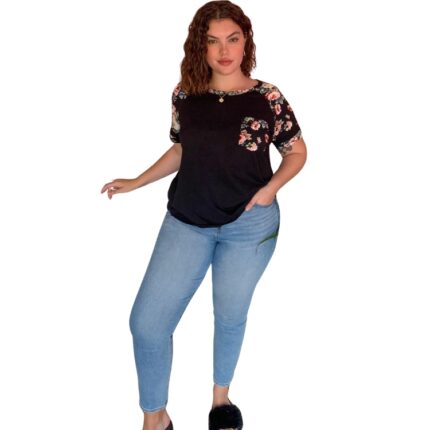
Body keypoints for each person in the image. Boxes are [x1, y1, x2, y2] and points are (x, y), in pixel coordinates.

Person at [101, 1, 307, 429]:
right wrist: (137, 181)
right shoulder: (185, 94)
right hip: (188, 220)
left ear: (246, 41)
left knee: (229, 312)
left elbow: (297, 151)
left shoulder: (268, 97)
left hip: (249, 224)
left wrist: (271, 189)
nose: (224, 50)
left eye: (233, 39)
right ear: (201, 46)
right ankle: (155, 417)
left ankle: (220, 401)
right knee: (146, 323)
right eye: (213, 41)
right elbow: (181, 149)